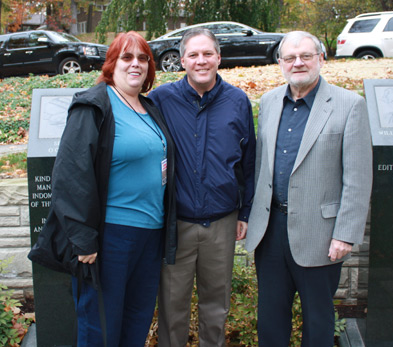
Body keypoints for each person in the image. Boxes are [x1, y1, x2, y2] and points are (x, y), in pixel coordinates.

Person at [44, 31, 176, 346]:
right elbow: (70, 176)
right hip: (109, 240)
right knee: (100, 328)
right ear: (112, 64)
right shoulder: (94, 106)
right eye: (126, 57)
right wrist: (83, 240)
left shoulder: (149, 108)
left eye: (142, 58)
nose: (136, 64)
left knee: (137, 322)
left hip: (150, 237)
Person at [245, 31, 372, 346]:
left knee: (318, 321)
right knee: (271, 318)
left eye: (305, 56)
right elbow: (262, 167)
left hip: (322, 234)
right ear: (280, 63)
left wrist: (345, 234)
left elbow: (358, 177)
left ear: (321, 59)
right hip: (270, 230)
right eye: (289, 58)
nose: (297, 63)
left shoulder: (350, 105)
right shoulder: (270, 102)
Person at [148, 27, 256, 347]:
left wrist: (245, 213)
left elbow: (248, 163)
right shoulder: (160, 100)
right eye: (193, 54)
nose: (201, 60)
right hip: (176, 224)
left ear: (219, 58)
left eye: (208, 53)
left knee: (216, 305)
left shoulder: (237, 101)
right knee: (172, 306)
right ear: (182, 60)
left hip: (221, 222)